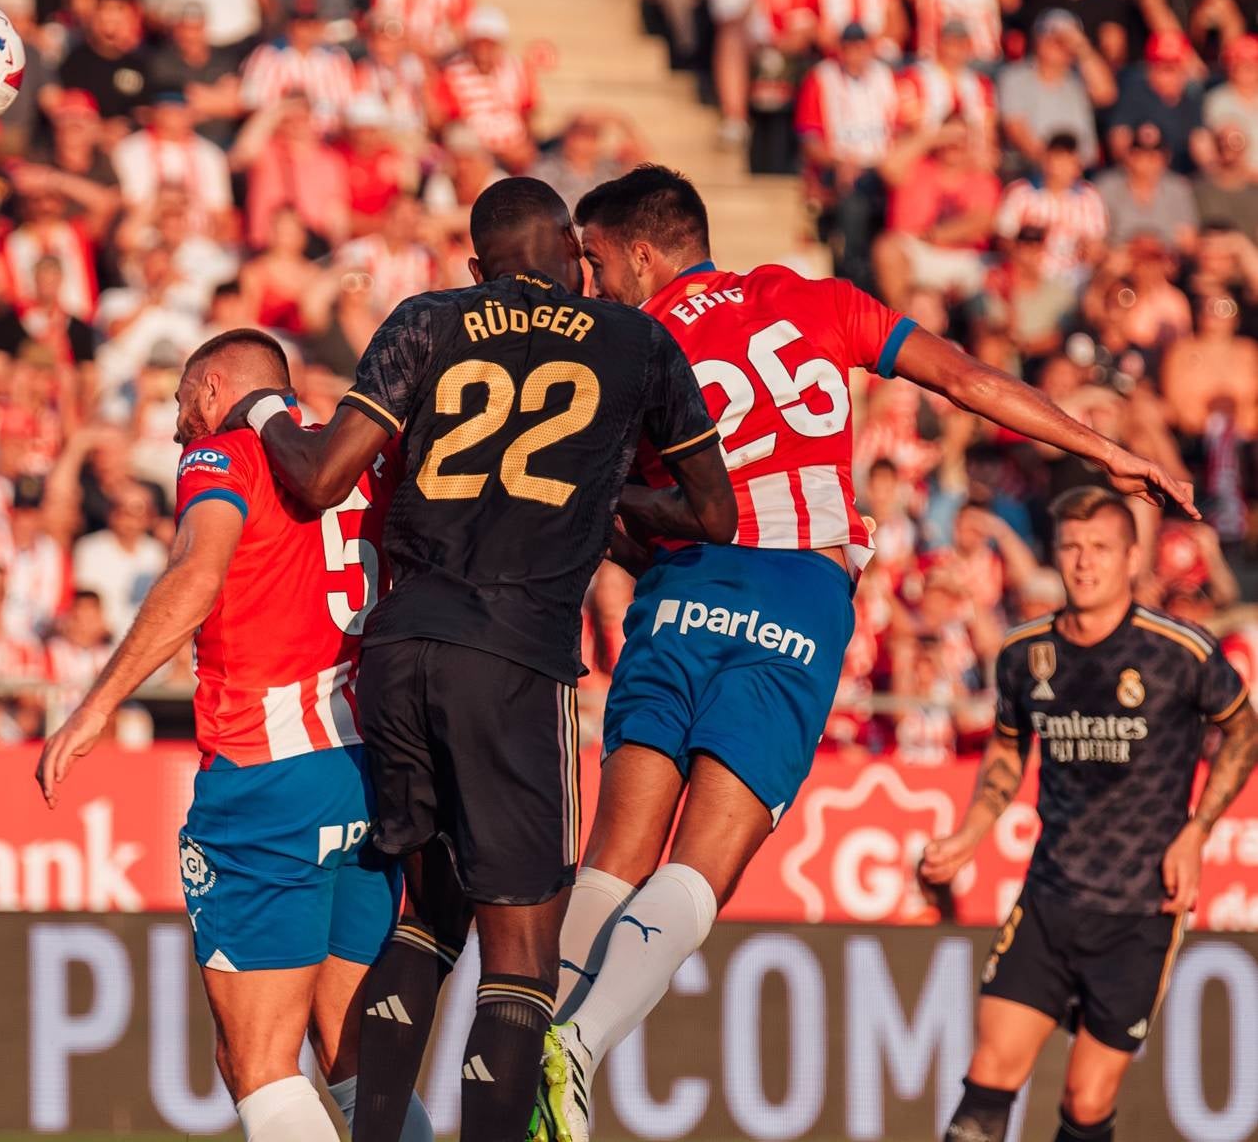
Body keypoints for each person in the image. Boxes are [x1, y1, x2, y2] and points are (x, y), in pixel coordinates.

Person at [538, 163, 1196, 1142]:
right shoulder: (812, 301)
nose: (587, 282)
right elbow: (966, 380)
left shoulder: (625, 342)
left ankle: (531, 1049)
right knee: (702, 866)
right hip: (796, 594)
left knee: (612, 852)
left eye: (592, 260)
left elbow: (608, 511)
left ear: (642, 252)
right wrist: (1098, 448)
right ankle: (577, 1048)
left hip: (682, 586)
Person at [222, 176, 735, 1142]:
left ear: (477, 267)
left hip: (401, 647)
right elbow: (714, 513)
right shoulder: (632, 341)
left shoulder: (427, 318)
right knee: (520, 960)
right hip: (515, 653)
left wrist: (258, 410)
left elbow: (323, 473)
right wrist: (604, 503)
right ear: (574, 262)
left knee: (426, 915)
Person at [38, 328, 429, 1142]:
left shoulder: (221, 455)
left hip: (268, 773)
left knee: (256, 1061)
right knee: (355, 1052)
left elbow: (195, 575)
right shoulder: (358, 457)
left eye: (183, 403)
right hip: (367, 767)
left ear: (215, 387)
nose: (180, 427)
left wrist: (96, 704)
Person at [920, 487, 1257, 1142]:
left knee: (1083, 1098)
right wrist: (969, 833)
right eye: (1070, 547)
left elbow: (1243, 732)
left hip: (1138, 909)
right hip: (1049, 897)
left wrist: (1195, 831)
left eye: (1099, 548)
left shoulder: (1177, 651)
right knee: (986, 1080)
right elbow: (1007, 745)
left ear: (1130, 557)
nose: (1083, 562)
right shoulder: (1024, 653)